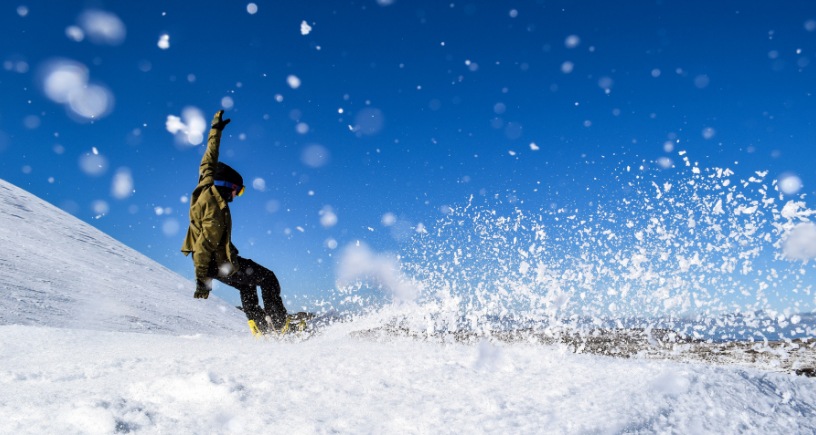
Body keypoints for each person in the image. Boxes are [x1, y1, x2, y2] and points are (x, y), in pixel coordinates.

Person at [181, 110, 289, 336]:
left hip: (219, 261)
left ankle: (260, 329)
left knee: (247, 284)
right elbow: (203, 246)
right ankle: (280, 327)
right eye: (236, 191)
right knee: (268, 278)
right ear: (226, 186)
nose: (235, 196)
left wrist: (215, 131)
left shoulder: (206, 182)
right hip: (216, 262)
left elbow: (209, 157)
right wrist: (202, 281)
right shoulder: (214, 209)